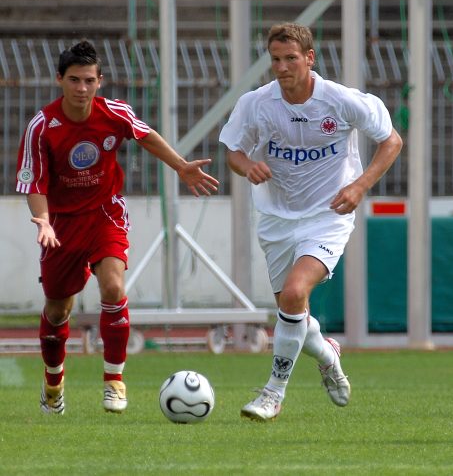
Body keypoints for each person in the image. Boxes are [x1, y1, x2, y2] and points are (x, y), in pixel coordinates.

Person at [16, 40, 220, 415]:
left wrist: (181, 166)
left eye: (89, 80)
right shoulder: (42, 127)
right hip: (60, 224)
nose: (82, 88)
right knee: (58, 309)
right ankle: (53, 383)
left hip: (105, 213)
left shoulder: (114, 113)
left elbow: (147, 136)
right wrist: (43, 221)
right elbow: (35, 184)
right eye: (74, 80)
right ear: (59, 79)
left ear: (100, 81)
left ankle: (114, 382)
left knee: (113, 286)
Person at [219, 23, 403, 421]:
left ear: (309, 58)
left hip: (328, 216)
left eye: (290, 58)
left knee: (294, 292)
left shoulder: (340, 101)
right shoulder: (257, 103)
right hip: (275, 218)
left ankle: (273, 393)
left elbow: (392, 141)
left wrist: (359, 186)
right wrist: (247, 165)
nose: (282, 67)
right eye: (275, 60)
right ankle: (327, 354)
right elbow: (232, 150)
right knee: (293, 308)